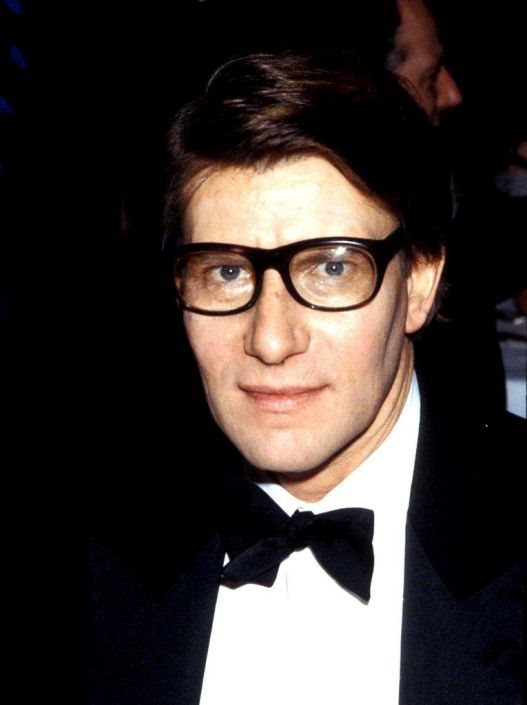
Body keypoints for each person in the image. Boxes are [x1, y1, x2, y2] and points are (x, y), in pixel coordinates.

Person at [89, 51, 525, 705]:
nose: (270, 340)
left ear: (418, 282)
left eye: (331, 268)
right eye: (225, 271)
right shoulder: (112, 536)